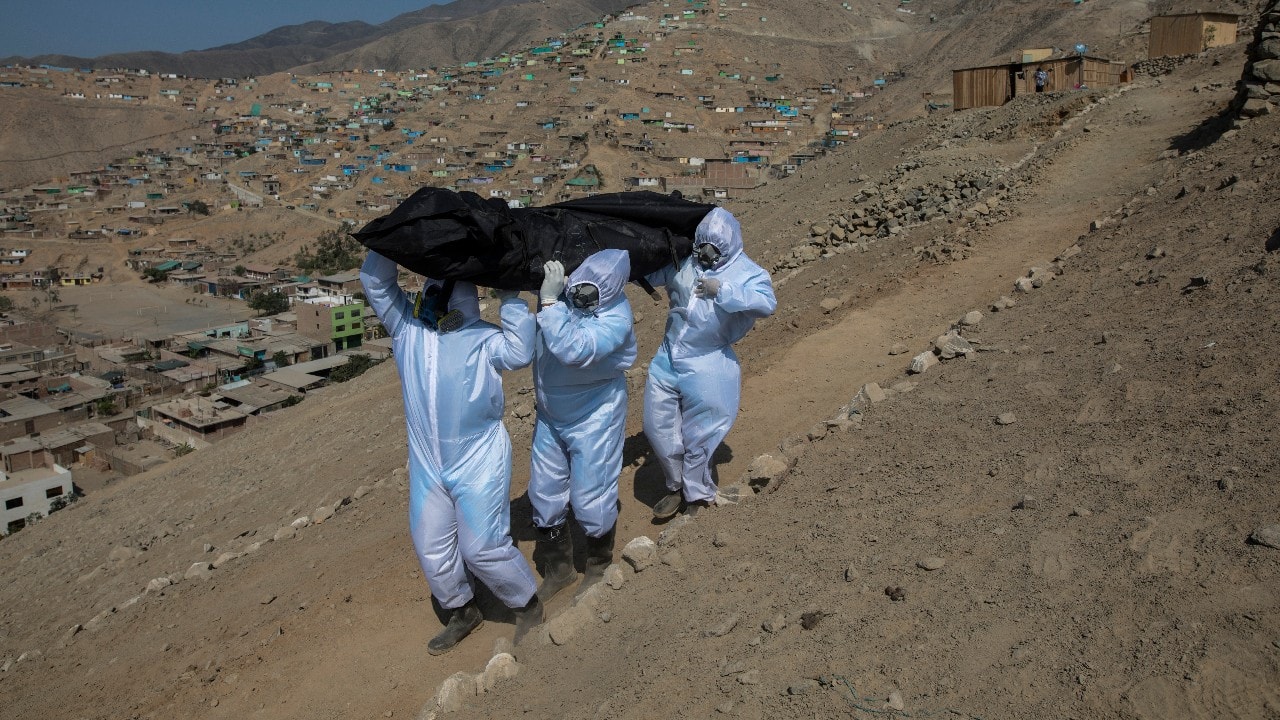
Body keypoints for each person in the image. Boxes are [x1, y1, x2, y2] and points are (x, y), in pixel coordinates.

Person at [359, 250, 543, 655]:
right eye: (431, 290)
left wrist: (510, 298)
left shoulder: (483, 338)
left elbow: (520, 352)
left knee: (482, 547)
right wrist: (388, 241)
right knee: (431, 544)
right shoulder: (407, 331)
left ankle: (528, 605)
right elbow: (375, 282)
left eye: (444, 291)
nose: (434, 298)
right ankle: (462, 608)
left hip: (478, 459)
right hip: (428, 463)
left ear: (462, 299)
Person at [643, 207, 777, 520]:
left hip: (708, 360)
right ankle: (676, 484)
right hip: (668, 356)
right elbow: (654, 271)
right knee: (657, 425)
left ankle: (698, 494)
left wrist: (724, 291)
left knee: (701, 431)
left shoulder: (747, 272)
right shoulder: (685, 259)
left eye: (715, 249)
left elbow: (767, 303)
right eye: (703, 245)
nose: (706, 253)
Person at [529, 249, 637, 601]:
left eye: (590, 293)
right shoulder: (566, 298)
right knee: (544, 492)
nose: (580, 296)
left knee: (591, 494)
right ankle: (559, 569)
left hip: (594, 414)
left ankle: (598, 564)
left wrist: (549, 302)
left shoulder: (616, 319)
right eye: (578, 287)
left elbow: (573, 349)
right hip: (551, 413)